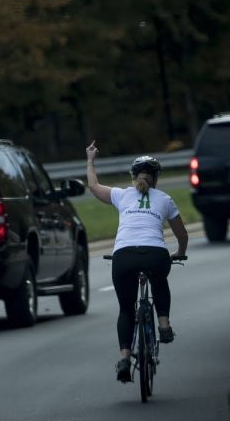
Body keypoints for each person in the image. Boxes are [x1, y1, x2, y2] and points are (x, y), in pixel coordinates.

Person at [85, 140, 188, 383]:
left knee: (125, 308)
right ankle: (163, 325)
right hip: (155, 254)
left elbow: (93, 186)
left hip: (124, 256)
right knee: (160, 279)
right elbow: (181, 234)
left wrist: (90, 160)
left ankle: (124, 357)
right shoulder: (165, 198)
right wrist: (180, 251)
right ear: (156, 178)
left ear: (133, 176)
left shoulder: (121, 195)